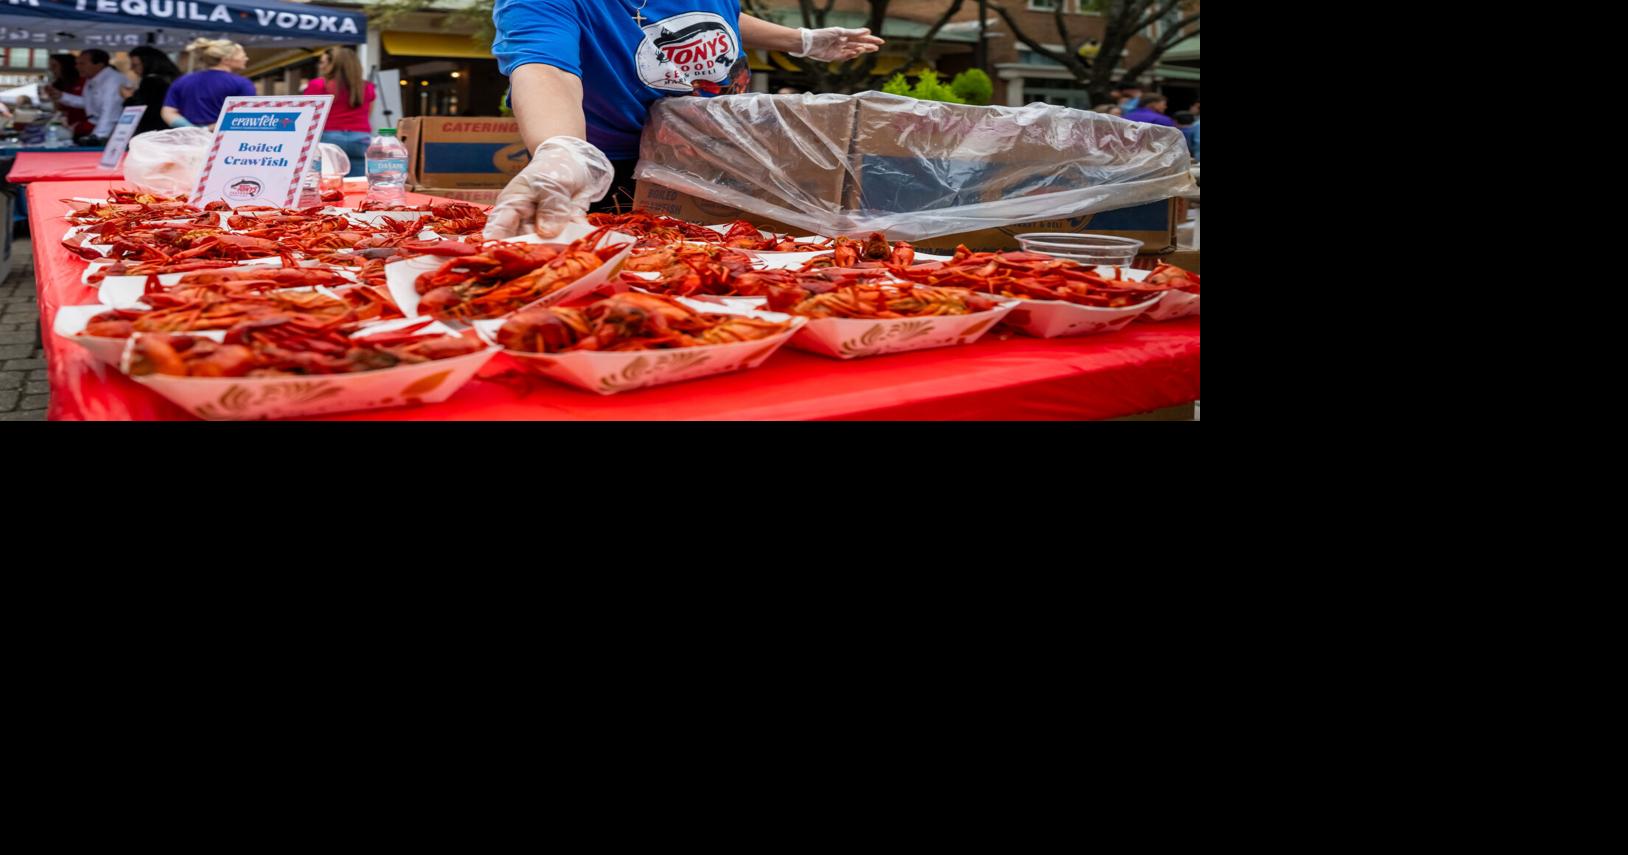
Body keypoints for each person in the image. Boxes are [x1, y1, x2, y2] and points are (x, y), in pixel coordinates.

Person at [485, 0, 883, 239]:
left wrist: (800, 41)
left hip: (722, 155)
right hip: (614, 174)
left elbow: (713, 11)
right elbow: (545, 69)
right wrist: (562, 149)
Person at [302, 46, 376, 177]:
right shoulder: (367, 87)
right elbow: (368, 114)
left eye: (323, 62)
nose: (320, 66)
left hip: (329, 138)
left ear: (333, 64)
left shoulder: (317, 85)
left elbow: (308, 115)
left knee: (329, 181)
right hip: (360, 138)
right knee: (358, 182)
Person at [162, 38, 255, 129]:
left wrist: (192, 129)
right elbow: (246, 116)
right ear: (226, 60)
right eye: (243, 56)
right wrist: (208, 129)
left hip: (187, 138)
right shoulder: (242, 83)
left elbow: (168, 112)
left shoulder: (182, 81)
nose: (246, 59)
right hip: (224, 138)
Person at [43, 50, 126, 145]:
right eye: (77, 63)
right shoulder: (92, 79)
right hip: (95, 129)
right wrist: (61, 96)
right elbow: (88, 102)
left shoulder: (113, 80)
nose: (77, 67)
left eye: (82, 64)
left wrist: (96, 138)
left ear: (99, 65)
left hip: (109, 134)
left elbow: (109, 115)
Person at [123, 47, 182, 137]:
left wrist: (129, 98)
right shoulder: (175, 79)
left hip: (153, 134)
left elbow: (143, 111)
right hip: (173, 131)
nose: (131, 68)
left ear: (148, 63)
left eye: (135, 65)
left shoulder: (150, 82)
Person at [44, 55, 90, 137]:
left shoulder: (84, 82)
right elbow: (59, 109)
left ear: (66, 66)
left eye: (54, 66)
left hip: (85, 128)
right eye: (50, 66)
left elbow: (88, 104)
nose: (51, 69)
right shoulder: (58, 85)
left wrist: (61, 97)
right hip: (70, 128)